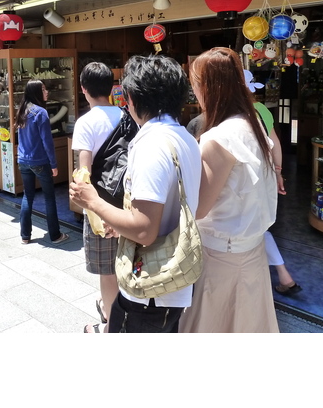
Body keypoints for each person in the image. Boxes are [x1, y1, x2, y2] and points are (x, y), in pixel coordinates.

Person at [70, 55, 201, 333]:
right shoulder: (184, 137)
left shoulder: (151, 144)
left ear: (131, 97)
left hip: (149, 287)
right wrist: (120, 223)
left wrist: (93, 201)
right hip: (173, 279)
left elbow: (143, 230)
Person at [178, 47, 279, 333]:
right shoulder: (252, 122)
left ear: (209, 88)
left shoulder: (218, 137)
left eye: (195, 84)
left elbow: (199, 207)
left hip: (223, 255)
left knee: (210, 324)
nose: (194, 91)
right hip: (252, 250)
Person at [187, 69, 301, 297]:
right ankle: (284, 274)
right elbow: (274, 144)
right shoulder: (256, 119)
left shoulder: (214, 133)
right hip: (250, 243)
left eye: (195, 85)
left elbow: (200, 208)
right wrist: (277, 172)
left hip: (223, 248)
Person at [71, 62, 123, 333]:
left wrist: (83, 203)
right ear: (111, 87)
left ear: (83, 89)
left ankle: (110, 325)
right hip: (129, 206)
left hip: (101, 206)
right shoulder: (128, 116)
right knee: (128, 262)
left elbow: (84, 171)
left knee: (108, 270)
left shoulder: (85, 122)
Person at [15, 80, 68, 245]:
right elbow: (47, 142)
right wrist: (53, 164)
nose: (47, 92)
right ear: (36, 92)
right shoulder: (41, 112)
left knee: (27, 195)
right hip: (39, 160)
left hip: (23, 160)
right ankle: (55, 235)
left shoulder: (22, 110)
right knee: (49, 197)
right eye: (43, 89)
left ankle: (25, 235)